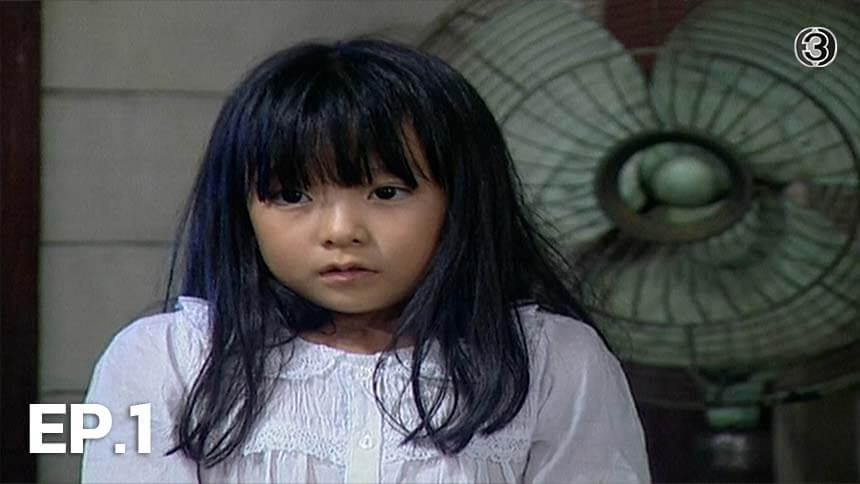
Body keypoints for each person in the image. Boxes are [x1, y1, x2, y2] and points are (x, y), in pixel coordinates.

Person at [81, 37, 650, 483]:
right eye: (292, 195)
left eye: (386, 192)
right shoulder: (165, 361)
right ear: (241, 210)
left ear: (462, 198)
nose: (341, 232)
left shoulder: (552, 361)